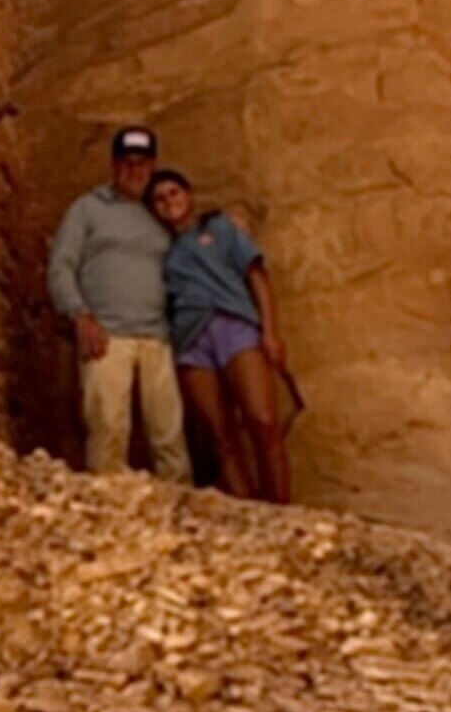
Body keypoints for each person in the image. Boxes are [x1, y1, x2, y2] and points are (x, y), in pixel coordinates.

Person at [46, 127, 192, 483]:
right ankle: (110, 509)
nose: (134, 170)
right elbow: (61, 265)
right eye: (126, 163)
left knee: (169, 433)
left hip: (157, 335)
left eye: (142, 164)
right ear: (113, 166)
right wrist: (79, 313)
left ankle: (184, 517)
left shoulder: (158, 211)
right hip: (107, 333)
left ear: (153, 165)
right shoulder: (88, 208)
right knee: (108, 427)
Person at [143, 169, 293, 503]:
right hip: (191, 343)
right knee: (220, 436)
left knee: (263, 420)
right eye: (160, 199)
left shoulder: (221, 228)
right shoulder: (163, 255)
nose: (170, 202)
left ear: (189, 194)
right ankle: (251, 515)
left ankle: (283, 511)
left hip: (234, 325)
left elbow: (257, 277)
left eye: (174, 193)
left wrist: (270, 333)